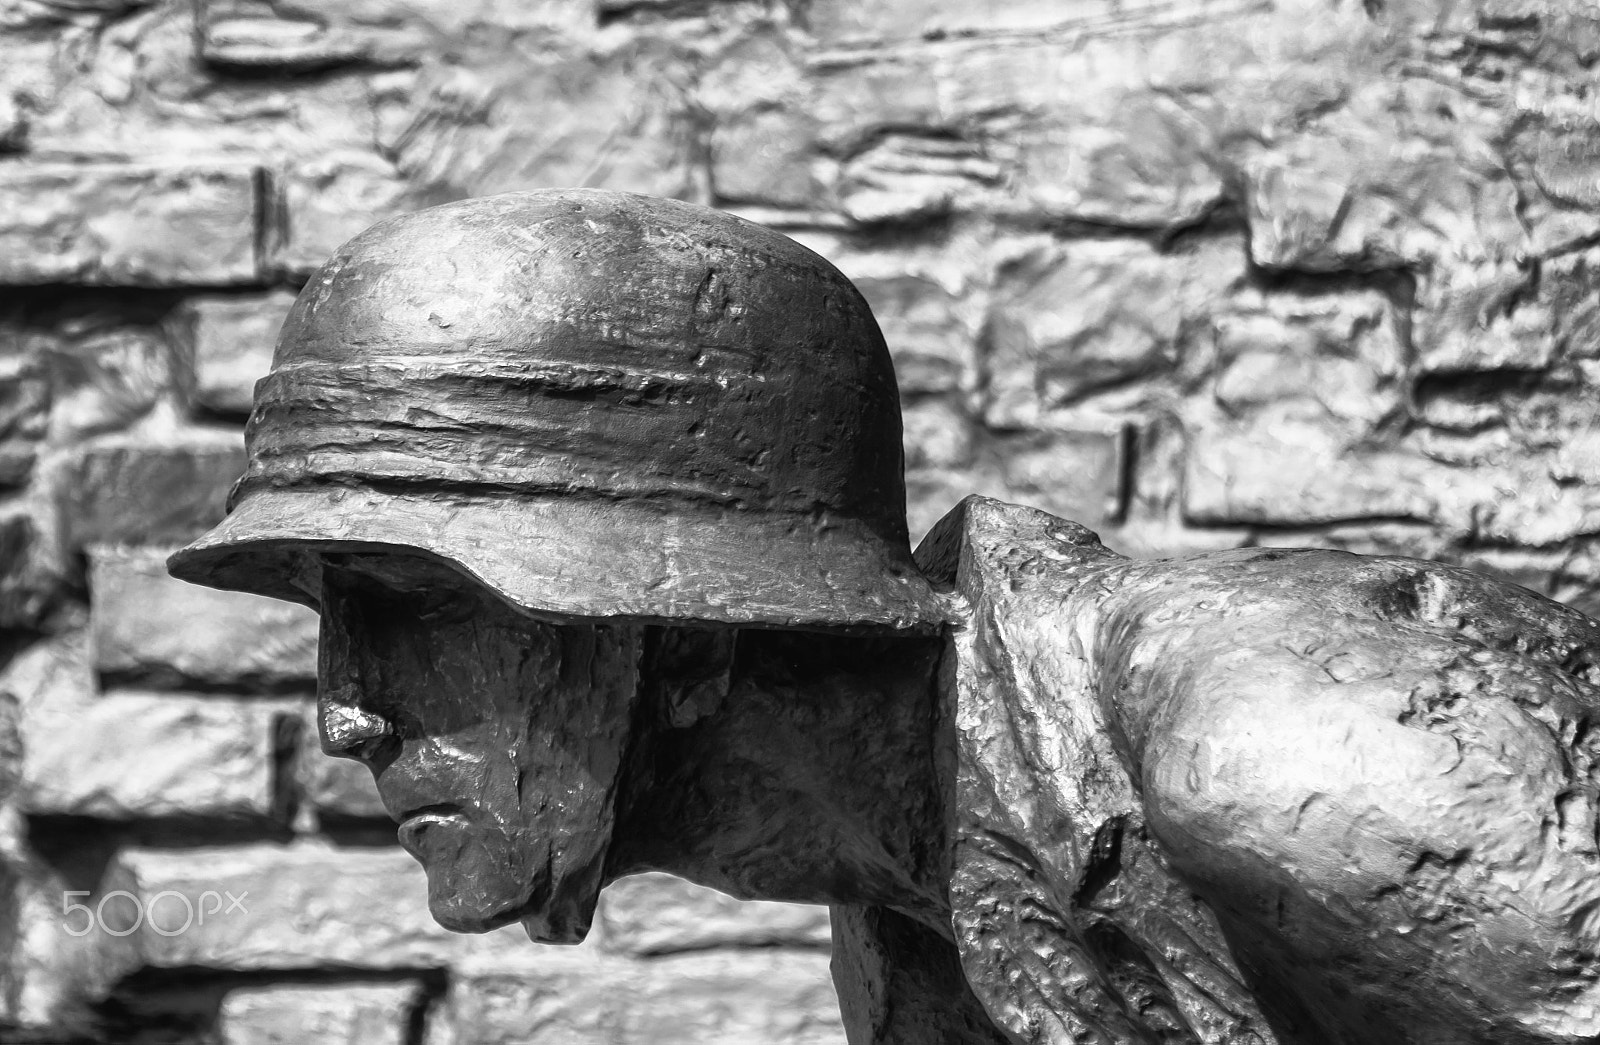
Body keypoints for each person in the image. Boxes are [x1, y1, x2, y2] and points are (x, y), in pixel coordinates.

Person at [170, 189, 1600, 1045]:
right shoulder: (915, 929)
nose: (343, 709)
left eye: (411, 602)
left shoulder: (1279, 755)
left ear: (689, 629)